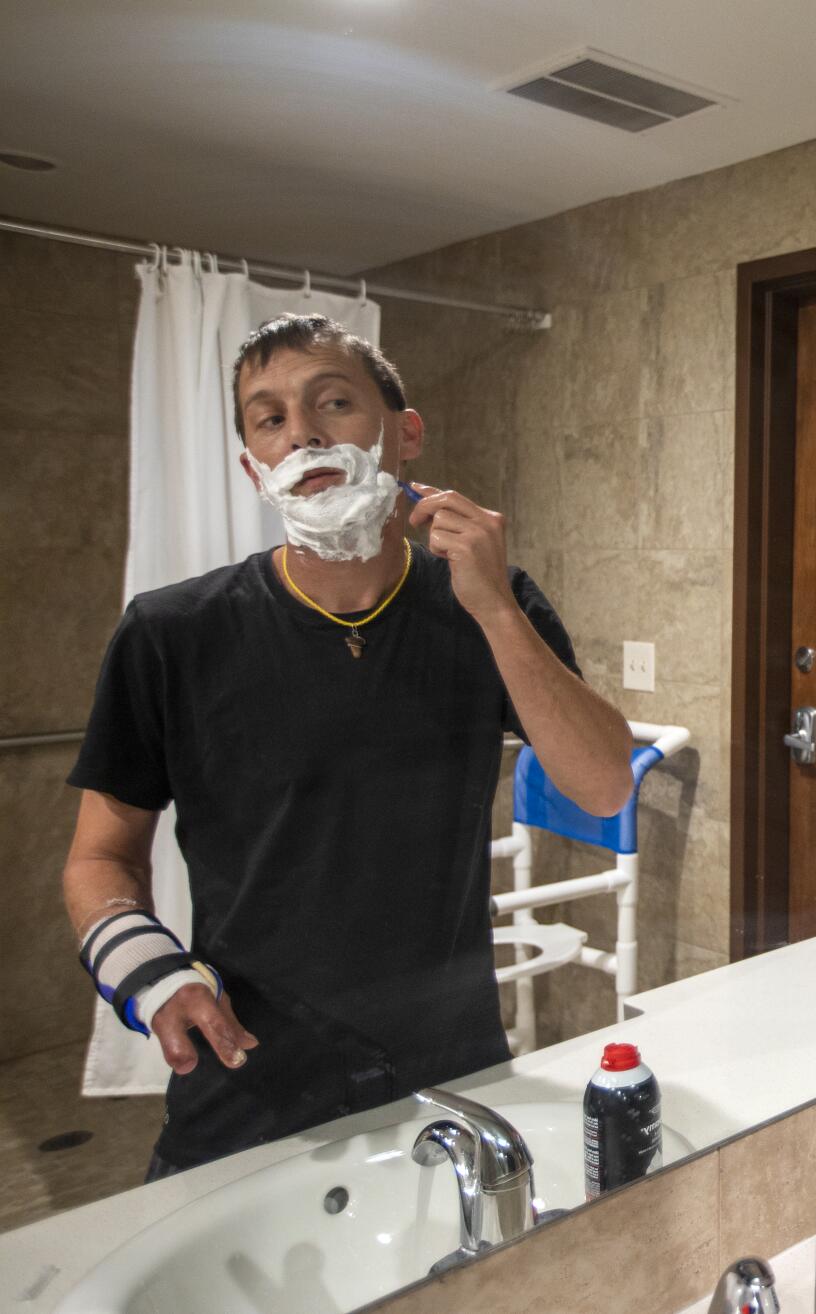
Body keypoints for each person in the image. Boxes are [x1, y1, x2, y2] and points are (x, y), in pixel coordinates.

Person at [62, 313, 634, 1177]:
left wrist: (492, 608)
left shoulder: (490, 600)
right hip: (246, 1083)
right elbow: (98, 859)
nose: (304, 432)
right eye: (270, 418)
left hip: (449, 1074)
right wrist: (149, 974)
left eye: (334, 401)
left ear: (404, 436)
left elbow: (602, 787)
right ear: (255, 466)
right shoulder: (171, 634)